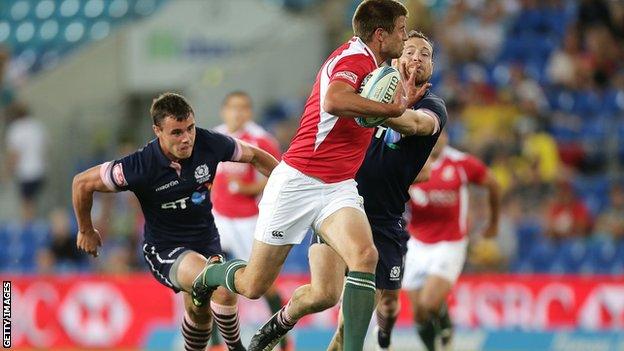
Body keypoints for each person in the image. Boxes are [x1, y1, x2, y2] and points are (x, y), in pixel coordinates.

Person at [192, 2, 420, 350]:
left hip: (339, 186)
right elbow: (333, 100)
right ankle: (208, 275)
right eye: (401, 29)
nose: (405, 37)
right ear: (380, 34)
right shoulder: (352, 59)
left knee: (364, 256)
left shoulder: (377, 66)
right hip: (298, 181)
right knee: (254, 285)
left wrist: (400, 106)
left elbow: (378, 113)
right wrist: (392, 109)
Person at [252, 30, 447, 351]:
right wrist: (379, 106)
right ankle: (280, 322)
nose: (416, 59)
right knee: (322, 294)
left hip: (384, 221)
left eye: (425, 55)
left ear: (432, 66)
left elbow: (417, 125)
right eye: (410, 51)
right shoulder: (365, 89)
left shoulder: (433, 105)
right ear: (395, 58)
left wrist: (394, 110)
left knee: (349, 329)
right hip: (339, 205)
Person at [72, 93, 279, 351]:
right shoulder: (139, 165)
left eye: (190, 128)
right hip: (165, 249)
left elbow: (257, 156)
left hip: (206, 241)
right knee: (220, 284)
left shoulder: (210, 142)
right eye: (177, 132)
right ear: (157, 131)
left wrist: (286, 189)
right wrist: (85, 229)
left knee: (199, 314)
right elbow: (82, 183)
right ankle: (238, 348)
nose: (187, 138)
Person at [402, 131, 500, 351]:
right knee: (418, 314)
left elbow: (493, 184)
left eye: (442, 133)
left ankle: (446, 325)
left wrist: (493, 223)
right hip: (416, 243)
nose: (439, 138)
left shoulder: (461, 163)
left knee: (429, 303)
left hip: (450, 243)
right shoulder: (408, 161)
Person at [210, 91, 289, 351]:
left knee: (262, 283)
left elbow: (280, 175)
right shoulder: (214, 136)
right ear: (224, 111)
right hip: (218, 218)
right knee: (210, 277)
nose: (238, 113)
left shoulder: (260, 139)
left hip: (248, 220)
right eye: (233, 108)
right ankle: (214, 344)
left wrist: (249, 188)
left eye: (243, 108)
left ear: (250, 112)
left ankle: (283, 340)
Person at [5, 101, 47, 222]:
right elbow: (44, 148)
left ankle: (29, 229)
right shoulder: (37, 126)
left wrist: (8, 172)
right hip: (39, 170)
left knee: (26, 204)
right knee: (34, 203)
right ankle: (33, 224)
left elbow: (14, 155)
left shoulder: (16, 129)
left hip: (26, 172)